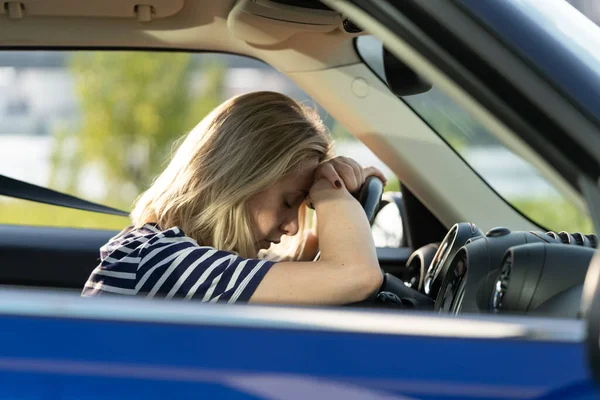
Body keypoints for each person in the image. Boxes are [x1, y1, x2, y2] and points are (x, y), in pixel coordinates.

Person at [82, 91, 386, 305]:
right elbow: (356, 276)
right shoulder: (164, 263)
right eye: (288, 201)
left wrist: (338, 196)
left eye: (303, 205)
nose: (293, 227)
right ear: (240, 182)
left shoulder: (182, 256)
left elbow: (303, 262)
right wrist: (332, 195)